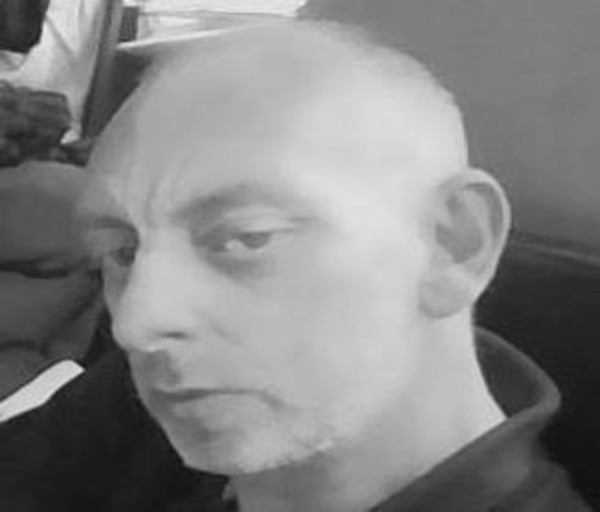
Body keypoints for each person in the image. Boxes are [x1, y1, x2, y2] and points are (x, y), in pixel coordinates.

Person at [0, 20, 591, 512]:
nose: (137, 324)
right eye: (123, 253)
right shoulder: (160, 402)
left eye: (246, 238)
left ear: (453, 245)